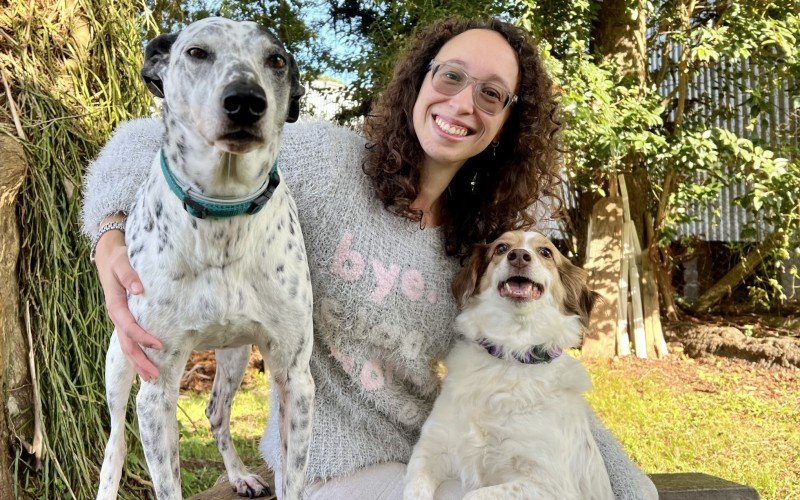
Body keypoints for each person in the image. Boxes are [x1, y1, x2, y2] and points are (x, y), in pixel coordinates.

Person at [82, 16, 657, 499]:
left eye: (490, 93)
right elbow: (141, 137)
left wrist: (633, 489)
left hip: (434, 462)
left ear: (508, 121)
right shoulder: (323, 161)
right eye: (450, 76)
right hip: (330, 469)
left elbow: (542, 369)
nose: (462, 102)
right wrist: (110, 234)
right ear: (418, 82)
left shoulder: (482, 250)